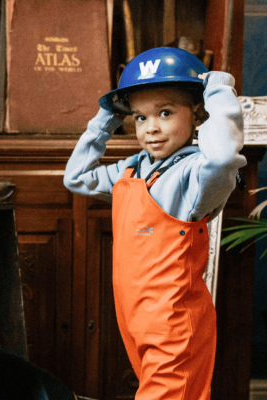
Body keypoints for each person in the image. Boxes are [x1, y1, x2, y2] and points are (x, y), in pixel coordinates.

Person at [63, 47, 246, 400]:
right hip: (133, 317)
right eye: (140, 118)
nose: (152, 128)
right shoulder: (133, 167)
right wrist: (106, 118)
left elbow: (223, 157)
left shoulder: (195, 176)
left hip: (173, 321)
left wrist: (218, 90)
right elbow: (76, 178)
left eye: (165, 112)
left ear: (196, 115)